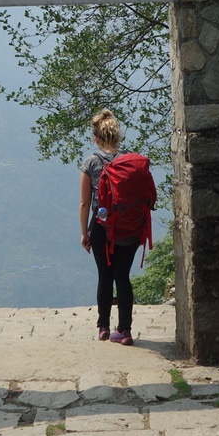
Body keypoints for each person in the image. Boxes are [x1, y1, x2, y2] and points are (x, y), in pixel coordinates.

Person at [79, 109, 139, 346]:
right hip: (130, 227)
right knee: (123, 277)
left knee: (105, 276)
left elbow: (85, 202)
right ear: (117, 136)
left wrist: (85, 233)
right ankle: (124, 331)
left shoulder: (91, 162)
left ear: (96, 137)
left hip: (102, 227)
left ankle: (103, 327)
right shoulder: (131, 161)